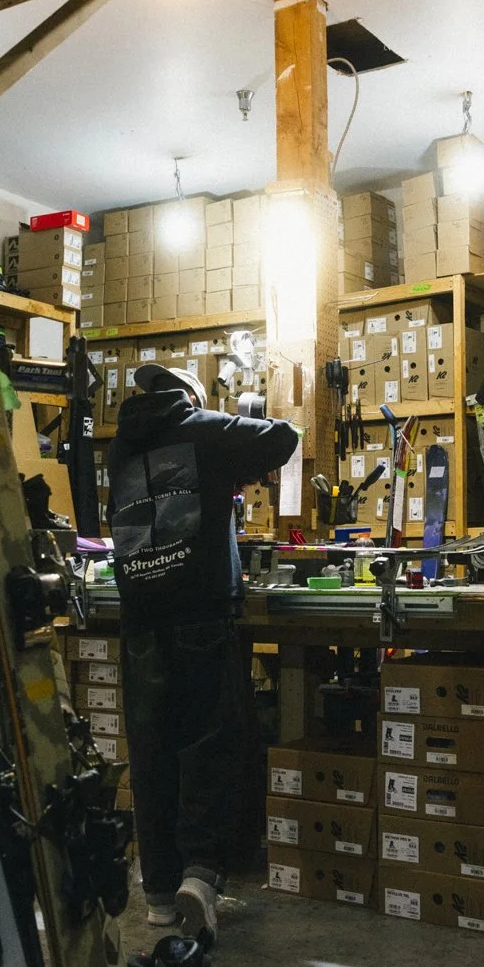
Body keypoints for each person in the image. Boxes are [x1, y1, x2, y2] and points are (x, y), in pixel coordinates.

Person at [107, 362, 299, 936]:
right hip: (199, 617)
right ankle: (201, 874)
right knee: (208, 745)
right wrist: (239, 421)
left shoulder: (118, 448)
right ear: (190, 397)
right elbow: (285, 437)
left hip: (139, 623)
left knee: (151, 753)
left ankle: (160, 895)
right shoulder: (205, 430)